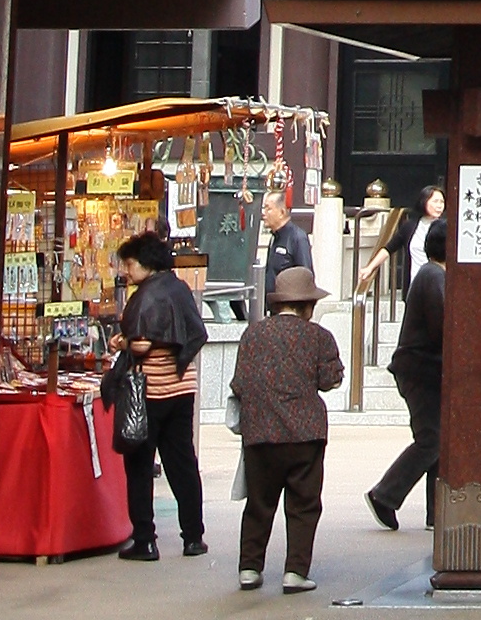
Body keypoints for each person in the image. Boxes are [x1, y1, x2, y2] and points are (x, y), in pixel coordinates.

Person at [231, 255, 345, 592]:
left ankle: (250, 568)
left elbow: (240, 383)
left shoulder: (253, 334)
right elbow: (329, 380)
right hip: (305, 435)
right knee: (303, 505)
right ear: (307, 305)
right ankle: (295, 571)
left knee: (259, 504)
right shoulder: (318, 337)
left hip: (259, 433)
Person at [112, 227, 209, 561]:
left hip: (150, 390)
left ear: (145, 263)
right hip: (182, 387)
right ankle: (193, 536)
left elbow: (141, 343)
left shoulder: (147, 296)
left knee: (139, 465)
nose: (126, 271)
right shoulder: (179, 289)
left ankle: (145, 540)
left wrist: (123, 342)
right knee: (182, 463)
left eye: (129, 264)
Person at [368, 210, 446, 530]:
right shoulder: (433, 276)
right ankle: (385, 494)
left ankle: (436, 511)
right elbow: (443, 328)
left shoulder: (433, 275)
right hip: (420, 370)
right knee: (431, 439)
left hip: (425, 369)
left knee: (438, 438)